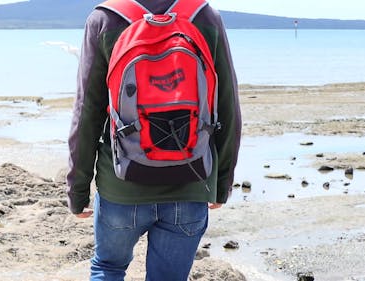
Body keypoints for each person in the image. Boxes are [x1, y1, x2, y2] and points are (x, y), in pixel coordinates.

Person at [67, 0, 241, 280]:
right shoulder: (205, 16)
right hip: (191, 182)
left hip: (121, 187)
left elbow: (87, 111)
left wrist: (77, 189)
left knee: (108, 268)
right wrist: (221, 183)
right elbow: (228, 105)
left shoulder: (104, 19)